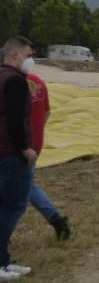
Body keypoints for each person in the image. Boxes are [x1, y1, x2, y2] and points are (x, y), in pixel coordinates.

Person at [0, 36, 37, 279]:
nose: (30, 61)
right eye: (27, 55)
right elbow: (15, 118)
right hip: (11, 152)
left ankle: (4, 259)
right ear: (14, 55)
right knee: (13, 206)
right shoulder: (15, 81)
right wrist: (25, 147)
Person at [24, 72, 70, 240]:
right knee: (25, 185)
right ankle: (56, 220)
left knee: (20, 187)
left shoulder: (8, 81)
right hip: (34, 143)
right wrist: (35, 132)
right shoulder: (38, 82)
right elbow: (46, 112)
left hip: (15, 145)